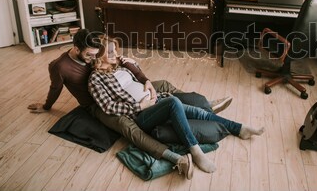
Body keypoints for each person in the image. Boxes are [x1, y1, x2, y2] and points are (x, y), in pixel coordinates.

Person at [27, 29, 232, 180]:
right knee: (127, 127)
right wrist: (46, 106)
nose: (93, 58)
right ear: (76, 49)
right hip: (99, 105)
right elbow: (55, 89)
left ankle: (205, 106)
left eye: (95, 53)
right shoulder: (59, 66)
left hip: (113, 84)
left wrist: (130, 65)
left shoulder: (96, 54)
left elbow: (109, 61)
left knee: (163, 85)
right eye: (90, 54)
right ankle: (176, 159)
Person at [89, 36, 265, 175]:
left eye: (115, 49)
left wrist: (131, 63)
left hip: (156, 101)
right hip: (141, 114)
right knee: (174, 102)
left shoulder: (120, 65)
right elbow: (109, 106)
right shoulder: (95, 79)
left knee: (198, 112)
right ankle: (195, 150)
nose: (115, 53)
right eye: (110, 51)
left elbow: (138, 77)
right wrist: (140, 106)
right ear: (100, 54)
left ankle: (240, 129)